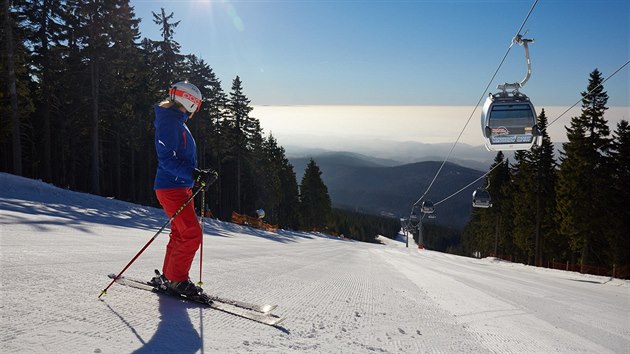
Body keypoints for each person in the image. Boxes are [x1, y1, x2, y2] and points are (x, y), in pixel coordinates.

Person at [152, 80, 216, 297]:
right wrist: (194, 174)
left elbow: (178, 157)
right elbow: (166, 160)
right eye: (196, 105)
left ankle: (170, 276)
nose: (196, 110)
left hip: (178, 186)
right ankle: (177, 280)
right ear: (189, 102)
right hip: (172, 188)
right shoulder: (170, 123)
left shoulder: (175, 121)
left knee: (180, 233)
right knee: (191, 234)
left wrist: (197, 174)